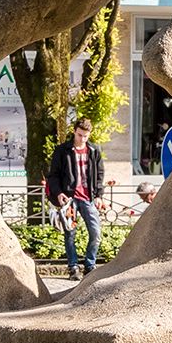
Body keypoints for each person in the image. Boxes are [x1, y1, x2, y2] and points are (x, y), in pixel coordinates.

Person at [46, 118, 103, 280]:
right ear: (74, 132)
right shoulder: (62, 150)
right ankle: (73, 267)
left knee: (96, 232)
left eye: (85, 136)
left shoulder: (94, 151)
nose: (82, 139)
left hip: (88, 198)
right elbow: (53, 175)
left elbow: (99, 175)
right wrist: (58, 193)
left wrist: (99, 195)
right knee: (70, 233)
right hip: (69, 199)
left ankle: (90, 265)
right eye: (80, 135)